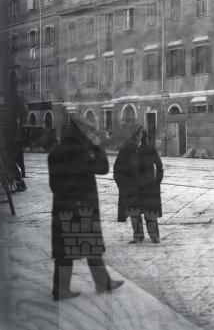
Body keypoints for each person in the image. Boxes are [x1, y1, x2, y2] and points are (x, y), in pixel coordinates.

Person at [48, 120, 124, 301]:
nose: (92, 136)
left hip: (63, 206)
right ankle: (94, 284)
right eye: (90, 133)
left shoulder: (55, 152)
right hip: (82, 207)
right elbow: (103, 168)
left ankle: (67, 287)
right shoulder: (82, 152)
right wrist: (98, 147)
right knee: (90, 245)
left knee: (66, 248)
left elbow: (53, 185)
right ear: (83, 134)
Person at [114, 127, 143, 243]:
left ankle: (139, 235)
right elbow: (117, 170)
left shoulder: (135, 149)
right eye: (139, 136)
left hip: (136, 186)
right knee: (134, 211)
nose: (140, 138)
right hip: (130, 187)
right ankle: (138, 235)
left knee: (135, 211)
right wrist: (123, 185)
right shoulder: (126, 150)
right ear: (134, 137)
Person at [135, 130, 164, 243]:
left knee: (150, 212)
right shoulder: (132, 150)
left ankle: (154, 235)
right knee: (136, 212)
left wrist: (157, 181)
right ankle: (138, 236)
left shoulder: (150, 149)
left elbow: (159, 166)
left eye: (139, 135)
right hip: (136, 186)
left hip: (149, 186)